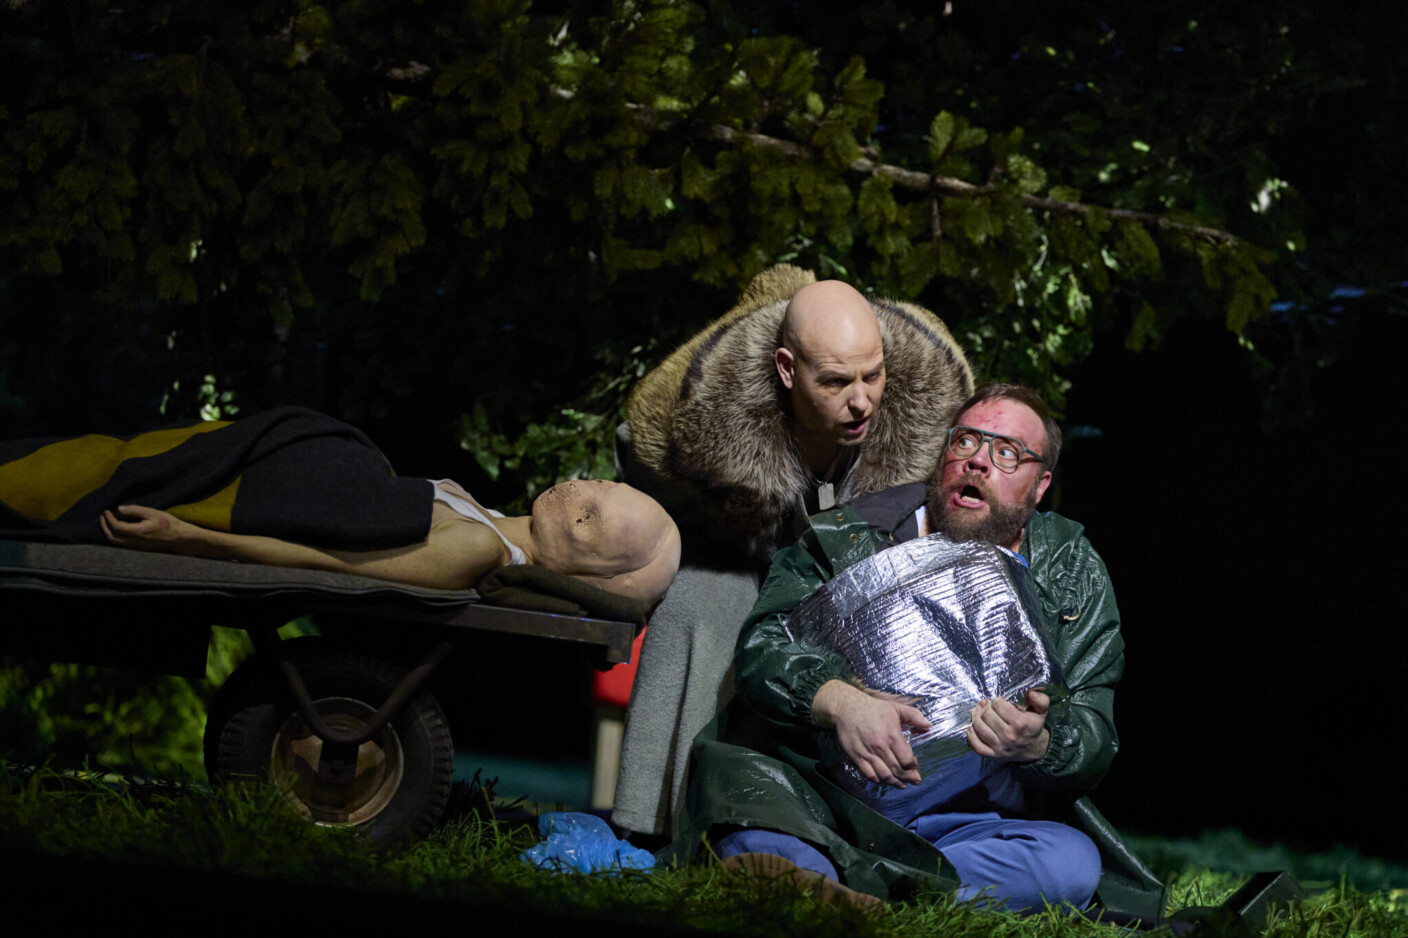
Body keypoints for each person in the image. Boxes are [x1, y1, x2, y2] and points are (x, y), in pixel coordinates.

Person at [682, 384, 1165, 918]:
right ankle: (866, 888)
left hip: (968, 822)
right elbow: (762, 646)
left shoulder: (1071, 570)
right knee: (755, 823)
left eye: (1007, 453)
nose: (978, 461)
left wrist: (1041, 744)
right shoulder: (849, 535)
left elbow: (1095, 728)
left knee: (1068, 862)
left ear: (1040, 485)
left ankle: (843, 889)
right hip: (826, 801)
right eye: (966, 442)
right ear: (944, 458)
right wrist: (837, 699)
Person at [611, 264, 973, 838]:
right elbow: (640, 463)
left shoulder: (925, 418)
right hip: (738, 561)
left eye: (873, 376)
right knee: (698, 599)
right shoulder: (709, 418)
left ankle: (855, 837)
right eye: (834, 382)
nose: (861, 402)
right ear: (786, 369)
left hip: (850, 588)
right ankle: (660, 825)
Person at [1, 407, 681, 606]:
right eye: (602, 488)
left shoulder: (477, 549)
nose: (579, 493)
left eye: (588, 520)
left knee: (47, 479)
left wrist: (187, 537)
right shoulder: (484, 515)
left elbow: (329, 562)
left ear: (574, 569)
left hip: (221, 494)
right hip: (240, 458)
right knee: (70, 458)